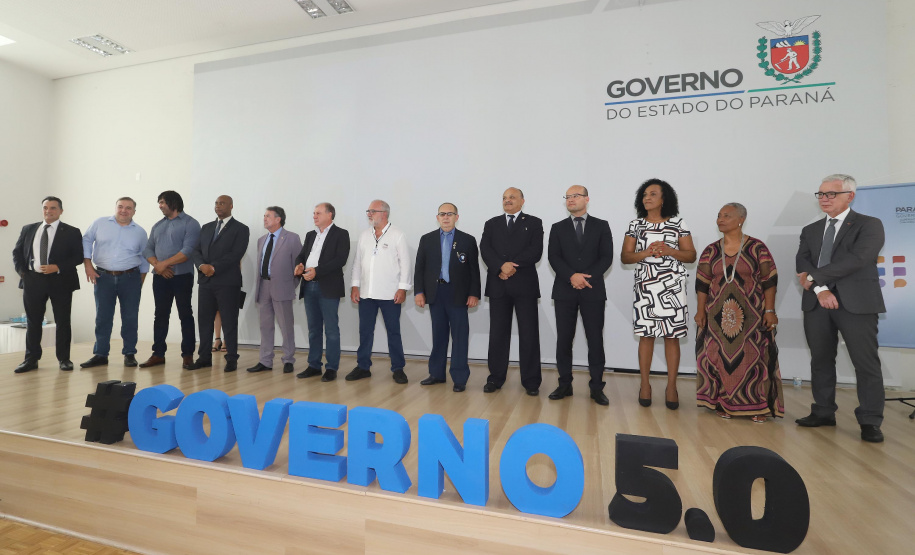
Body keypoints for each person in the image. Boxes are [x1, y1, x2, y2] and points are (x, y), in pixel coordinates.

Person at [795, 174, 887, 443]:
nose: (824, 198)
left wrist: (815, 279)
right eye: (821, 194)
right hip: (817, 302)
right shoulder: (810, 230)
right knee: (821, 359)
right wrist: (820, 289)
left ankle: (870, 420)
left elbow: (858, 259)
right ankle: (823, 412)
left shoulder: (869, 225)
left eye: (831, 194)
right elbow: (803, 264)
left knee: (865, 363)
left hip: (856, 303)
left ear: (850, 195)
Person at [695, 203, 783, 423]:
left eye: (727, 215)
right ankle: (724, 403)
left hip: (752, 317)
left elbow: (769, 280)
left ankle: (758, 407)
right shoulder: (711, 250)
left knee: (754, 359)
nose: (720, 219)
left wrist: (770, 310)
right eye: (718, 216)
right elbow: (702, 283)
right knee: (719, 358)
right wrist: (700, 311)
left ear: (741, 219)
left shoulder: (757, 248)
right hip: (718, 318)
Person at [621, 179, 696, 409]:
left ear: (664, 199)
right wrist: (644, 253)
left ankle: (671, 387)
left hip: (672, 287)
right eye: (644, 194)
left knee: (672, 337)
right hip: (646, 287)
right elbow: (625, 257)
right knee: (646, 336)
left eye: (653, 194)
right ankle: (645, 385)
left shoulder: (678, 223)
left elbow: (691, 255)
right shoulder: (636, 225)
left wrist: (670, 250)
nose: (647, 198)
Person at [547, 186, 614, 405]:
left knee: (595, 340)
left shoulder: (601, 226)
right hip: (564, 291)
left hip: (593, 290)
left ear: (587, 199)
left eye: (575, 196)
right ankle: (564, 384)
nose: (570, 199)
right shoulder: (557, 228)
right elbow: (554, 257)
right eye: (567, 197)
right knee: (564, 340)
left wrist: (585, 278)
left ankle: (596, 388)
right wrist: (571, 277)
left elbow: (606, 257)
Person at [480, 187, 544, 395]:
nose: (507, 201)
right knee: (498, 334)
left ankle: (531, 382)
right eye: (505, 198)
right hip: (499, 284)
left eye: (512, 197)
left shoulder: (534, 222)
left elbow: (535, 251)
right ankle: (495, 378)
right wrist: (501, 267)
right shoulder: (492, 224)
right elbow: (485, 249)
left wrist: (511, 266)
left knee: (528, 335)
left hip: (524, 285)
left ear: (522, 201)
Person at [414, 202, 481, 393]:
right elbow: (419, 268)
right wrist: (419, 292)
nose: (445, 217)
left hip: (458, 294)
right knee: (439, 336)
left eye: (449, 214)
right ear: (437, 217)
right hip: (436, 294)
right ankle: (436, 374)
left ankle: (459, 378)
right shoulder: (427, 239)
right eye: (442, 214)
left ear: (456, 217)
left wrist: (474, 293)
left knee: (460, 337)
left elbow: (474, 270)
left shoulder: (467, 240)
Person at [11, 196, 83, 373]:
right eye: (45, 208)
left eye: (52, 208)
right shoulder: (29, 229)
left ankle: (64, 359)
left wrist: (57, 267)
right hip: (33, 281)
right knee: (33, 321)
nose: (48, 211)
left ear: (60, 211)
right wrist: (23, 272)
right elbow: (17, 253)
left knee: (62, 322)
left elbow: (78, 257)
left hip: (61, 281)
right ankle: (31, 359)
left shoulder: (72, 231)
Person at [80, 197, 149, 369]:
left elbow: (144, 258)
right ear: (115, 208)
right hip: (103, 277)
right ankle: (100, 354)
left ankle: (130, 353)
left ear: (134, 211)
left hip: (130, 278)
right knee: (103, 317)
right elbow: (86, 240)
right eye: (120, 207)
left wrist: (140, 281)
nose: (123, 210)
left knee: (130, 317)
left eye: (128, 208)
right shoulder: (100, 223)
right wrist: (88, 265)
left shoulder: (140, 232)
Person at [349, 200, 412, 384]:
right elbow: (357, 263)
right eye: (368, 211)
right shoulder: (364, 236)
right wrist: (355, 285)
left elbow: (406, 264)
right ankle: (363, 367)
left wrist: (402, 288)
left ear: (384, 213)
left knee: (394, 332)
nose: (369, 214)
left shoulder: (397, 235)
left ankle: (398, 368)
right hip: (367, 294)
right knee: (365, 331)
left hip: (390, 294)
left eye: (372, 211)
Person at [140, 191, 201, 369]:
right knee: (160, 315)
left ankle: (188, 355)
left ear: (173, 202)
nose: (160, 206)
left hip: (182, 277)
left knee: (185, 315)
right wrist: (159, 266)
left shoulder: (191, 223)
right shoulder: (158, 225)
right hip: (160, 278)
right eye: (159, 202)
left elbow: (188, 251)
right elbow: (148, 249)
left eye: (162, 202)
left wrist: (162, 265)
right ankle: (158, 354)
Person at [190, 195, 250, 372]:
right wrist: (202, 266)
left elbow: (236, 254)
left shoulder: (241, 229)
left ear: (231, 206)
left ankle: (231, 358)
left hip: (228, 282)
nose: (218, 206)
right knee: (204, 320)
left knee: (229, 321)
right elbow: (196, 251)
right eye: (216, 203)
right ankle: (204, 357)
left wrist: (213, 267)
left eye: (222, 203)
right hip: (206, 281)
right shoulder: (206, 227)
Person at [294, 203, 350, 382]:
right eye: (313, 213)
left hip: (328, 286)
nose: (314, 216)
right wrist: (299, 264)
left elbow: (340, 260)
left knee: (332, 330)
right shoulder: (311, 235)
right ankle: (314, 365)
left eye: (318, 213)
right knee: (314, 329)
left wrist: (317, 271)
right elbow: (302, 255)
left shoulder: (341, 234)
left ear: (330, 215)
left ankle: (332, 367)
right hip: (309, 286)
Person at [250, 206, 301, 374]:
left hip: (282, 287)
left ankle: (288, 359)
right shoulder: (261, 240)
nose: (264, 219)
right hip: (263, 286)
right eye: (264, 216)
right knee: (265, 326)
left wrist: (289, 285)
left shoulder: (292, 238)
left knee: (286, 325)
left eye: (268, 216)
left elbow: (298, 267)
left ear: (278, 219)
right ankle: (265, 361)